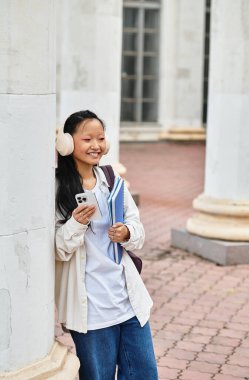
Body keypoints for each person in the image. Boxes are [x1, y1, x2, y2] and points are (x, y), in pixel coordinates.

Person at [55, 110, 158, 380]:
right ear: (67, 142)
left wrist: (126, 232)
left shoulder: (113, 182)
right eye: (87, 139)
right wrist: (75, 224)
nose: (96, 145)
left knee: (144, 374)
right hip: (91, 309)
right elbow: (57, 248)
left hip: (127, 301)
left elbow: (139, 230)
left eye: (100, 138)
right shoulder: (57, 188)